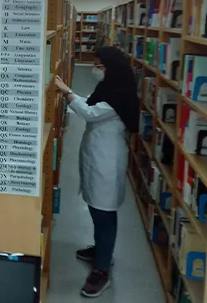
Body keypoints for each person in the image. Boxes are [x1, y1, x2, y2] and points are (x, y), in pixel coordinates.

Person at [54, 46, 139, 298]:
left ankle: (102, 269)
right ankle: (101, 249)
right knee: (96, 207)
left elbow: (91, 112)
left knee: (104, 212)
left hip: (106, 159)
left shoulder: (119, 95)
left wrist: (67, 93)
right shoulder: (109, 88)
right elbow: (90, 102)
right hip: (97, 155)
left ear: (112, 68)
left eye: (100, 66)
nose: (96, 70)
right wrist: (71, 99)